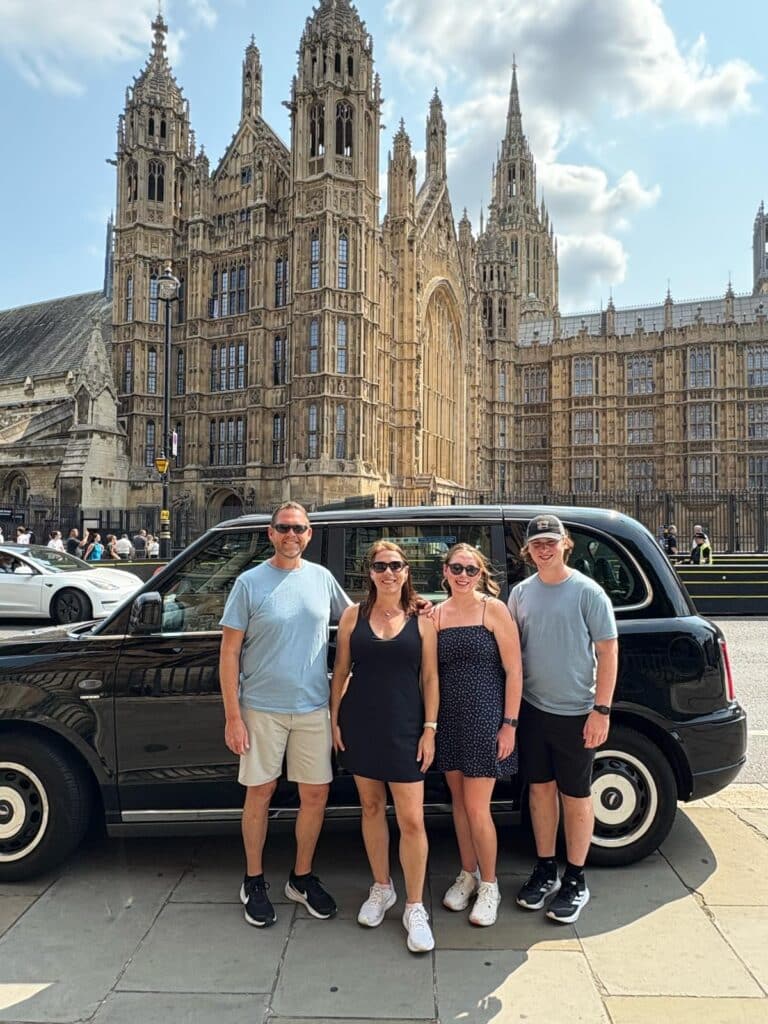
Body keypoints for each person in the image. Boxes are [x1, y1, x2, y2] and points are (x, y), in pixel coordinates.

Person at [219, 501, 351, 929]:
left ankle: (301, 877)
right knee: (260, 793)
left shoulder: (322, 579)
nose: (292, 535)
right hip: (260, 709)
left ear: (309, 535)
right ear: (271, 534)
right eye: (284, 528)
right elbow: (229, 653)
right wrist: (233, 716)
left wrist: (411, 607)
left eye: (300, 528)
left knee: (315, 796)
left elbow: (355, 621)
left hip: (312, 708)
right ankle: (253, 880)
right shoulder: (249, 582)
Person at [508, 514, 618, 925]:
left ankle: (575, 878)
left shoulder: (588, 592)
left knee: (576, 796)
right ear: (529, 549)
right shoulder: (521, 594)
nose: (544, 549)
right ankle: (544, 867)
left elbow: (608, 653)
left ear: (565, 544)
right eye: (537, 544)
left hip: (576, 712)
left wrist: (601, 710)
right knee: (539, 792)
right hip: (534, 709)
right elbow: (511, 650)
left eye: (551, 542)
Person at [330, 541, 439, 953]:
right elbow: (340, 671)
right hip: (361, 722)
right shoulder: (353, 616)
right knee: (371, 808)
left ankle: (414, 906)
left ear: (407, 571)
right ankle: (382, 887)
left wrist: (430, 729)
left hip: (406, 725)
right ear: (370, 572)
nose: (388, 572)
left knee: (412, 819)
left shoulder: (422, 619)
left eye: (395, 565)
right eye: (380, 566)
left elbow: (430, 678)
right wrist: (334, 721)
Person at [434, 543, 522, 928]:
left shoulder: (493, 610)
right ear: (446, 571)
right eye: (457, 568)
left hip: (485, 717)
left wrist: (510, 724)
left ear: (481, 572)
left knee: (476, 807)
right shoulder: (436, 613)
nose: (464, 576)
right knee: (457, 803)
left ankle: (490, 884)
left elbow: (515, 671)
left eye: (471, 569)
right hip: (449, 719)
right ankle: (467, 874)